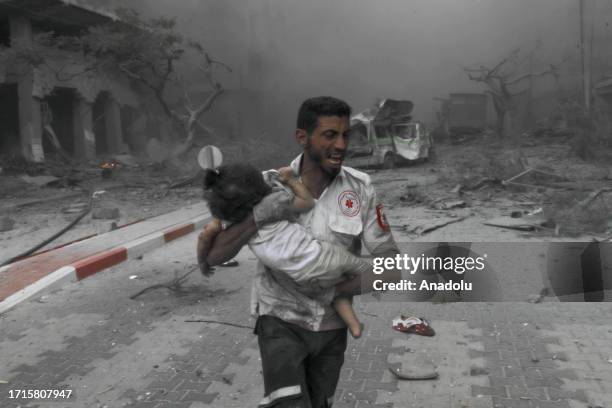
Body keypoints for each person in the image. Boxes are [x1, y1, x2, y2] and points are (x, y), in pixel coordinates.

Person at [197, 96, 400, 408]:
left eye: (346, 135)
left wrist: (336, 291)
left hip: (332, 330)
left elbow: (391, 268)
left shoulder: (360, 189)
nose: (342, 145)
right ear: (302, 137)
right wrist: (258, 216)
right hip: (279, 322)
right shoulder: (262, 186)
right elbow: (215, 256)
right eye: (330, 135)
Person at [198, 163, 364, 338]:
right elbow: (215, 255)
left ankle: (354, 324)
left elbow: (206, 241)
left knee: (333, 291)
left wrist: (202, 261)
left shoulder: (237, 205)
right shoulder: (269, 186)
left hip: (306, 285)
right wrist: (259, 215)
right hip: (281, 318)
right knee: (359, 272)